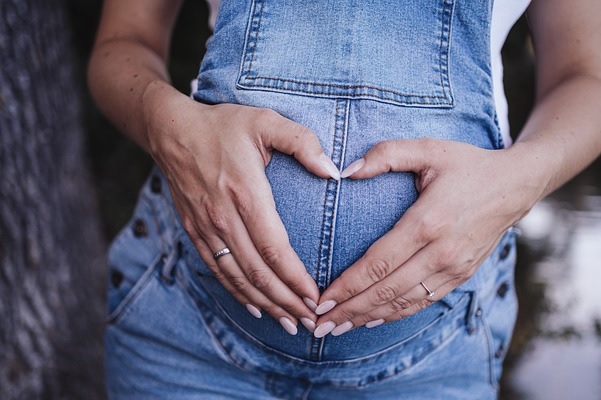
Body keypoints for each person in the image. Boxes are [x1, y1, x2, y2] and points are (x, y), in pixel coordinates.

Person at [88, 0, 601, 398]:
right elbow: (123, 44)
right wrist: (168, 127)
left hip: (434, 359)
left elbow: (586, 77)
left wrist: (518, 180)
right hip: (186, 332)